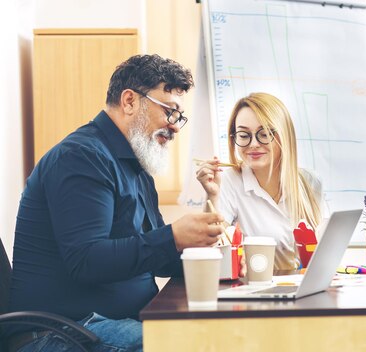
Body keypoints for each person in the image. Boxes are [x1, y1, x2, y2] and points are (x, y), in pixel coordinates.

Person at [7, 54, 225, 352]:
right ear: (129, 101)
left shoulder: (135, 164)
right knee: (191, 344)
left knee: (216, 332)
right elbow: (86, 261)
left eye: (179, 117)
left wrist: (210, 251)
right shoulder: (81, 157)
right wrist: (172, 237)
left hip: (105, 324)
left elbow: (158, 258)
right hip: (62, 332)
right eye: (169, 112)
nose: (174, 127)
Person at [196, 92, 324, 270]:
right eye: (243, 135)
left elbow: (322, 250)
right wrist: (212, 195)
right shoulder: (230, 180)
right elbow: (208, 250)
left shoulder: (310, 182)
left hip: (304, 289)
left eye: (264, 134)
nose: (253, 144)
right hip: (256, 289)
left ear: (284, 136)